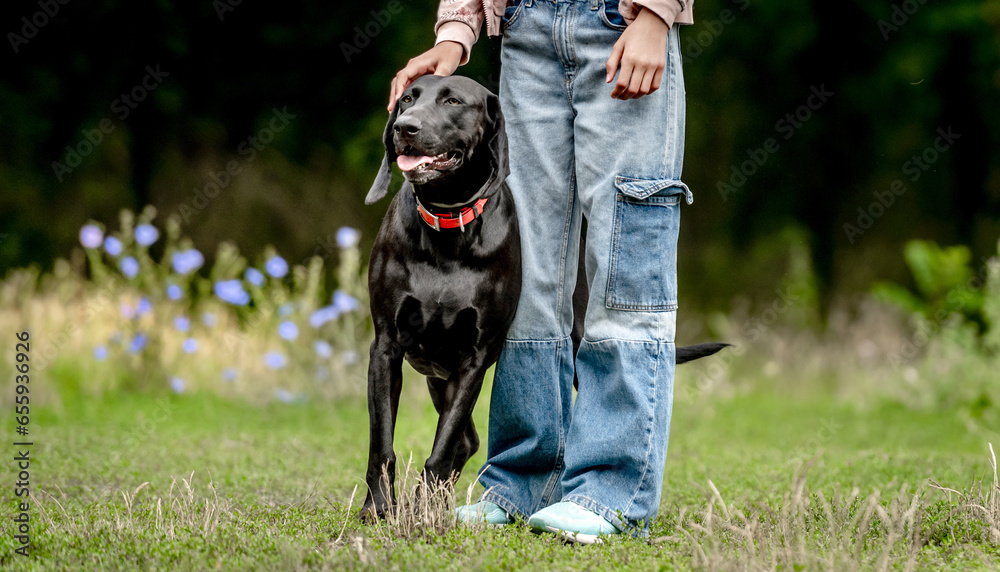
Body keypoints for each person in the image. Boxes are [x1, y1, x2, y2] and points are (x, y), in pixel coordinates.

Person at [387, 0, 694, 543]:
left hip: (621, 23)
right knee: (525, 275)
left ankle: (609, 492)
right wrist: (456, 31)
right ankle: (523, 482)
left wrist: (656, 13)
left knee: (626, 261)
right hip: (524, 31)